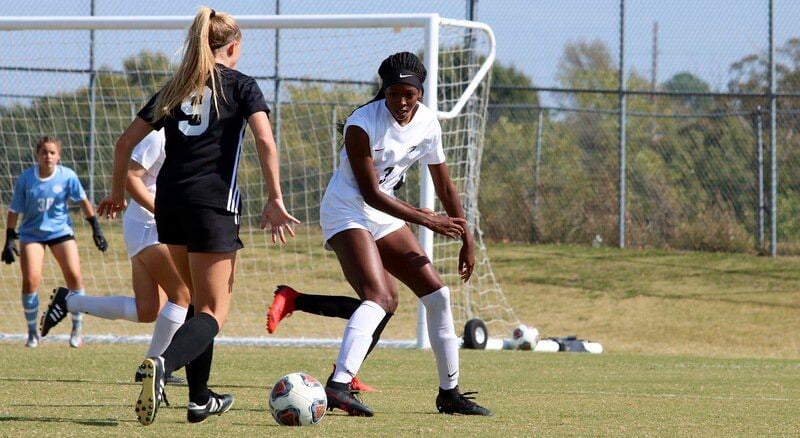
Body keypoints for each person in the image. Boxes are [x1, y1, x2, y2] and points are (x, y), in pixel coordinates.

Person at [98, 7, 298, 426]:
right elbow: (264, 138)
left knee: (195, 305)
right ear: (233, 46)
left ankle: (200, 399)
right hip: (212, 205)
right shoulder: (242, 86)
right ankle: (162, 367)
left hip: (169, 204)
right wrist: (275, 197)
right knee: (212, 312)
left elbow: (123, 144)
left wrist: (118, 195)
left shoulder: (175, 87)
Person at [267, 52, 491, 417]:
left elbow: (446, 187)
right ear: (383, 91)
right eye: (393, 94)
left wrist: (466, 236)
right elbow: (370, 193)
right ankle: (338, 386)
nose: (401, 103)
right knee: (379, 297)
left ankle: (449, 394)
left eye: (409, 94)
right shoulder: (361, 123)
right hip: (347, 209)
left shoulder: (429, 124)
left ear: (420, 91)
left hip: (383, 214)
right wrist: (426, 219)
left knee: (438, 296)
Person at [39, 129, 191, 385]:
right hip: (148, 224)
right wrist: (164, 212)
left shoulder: (187, 133)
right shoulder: (158, 135)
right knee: (182, 295)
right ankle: (153, 368)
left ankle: (70, 302)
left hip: (149, 225)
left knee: (147, 309)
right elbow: (131, 178)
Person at [2, 136, 108, 349]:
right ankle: (33, 333)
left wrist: (96, 228)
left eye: (52, 152)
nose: (48, 156)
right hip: (32, 234)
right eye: (44, 152)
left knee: (75, 277)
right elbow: (14, 210)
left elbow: (83, 201)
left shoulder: (68, 176)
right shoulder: (26, 179)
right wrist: (10, 239)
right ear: (37, 155)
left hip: (61, 233)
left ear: (58, 156)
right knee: (30, 281)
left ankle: (77, 329)